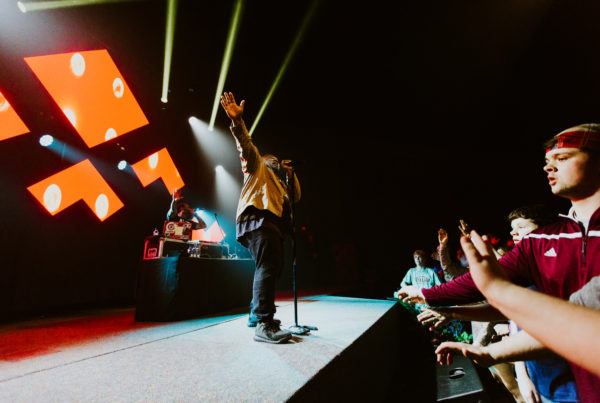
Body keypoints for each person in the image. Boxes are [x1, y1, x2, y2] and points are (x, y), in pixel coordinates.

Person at [400, 123, 600, 402]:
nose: (548, 167)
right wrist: (488, 350)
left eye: (563, 158)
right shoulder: (543, 239)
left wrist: (495, 290)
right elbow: (567, 322)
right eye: (547, 161)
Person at [220, 91, 300, 344]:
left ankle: (256, 314)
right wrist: (237, 121)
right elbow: (245, 144)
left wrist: (290, 174)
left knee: (271, 267)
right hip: (257, 218)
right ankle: (265, 323)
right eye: (271, 159)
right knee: (268, 266)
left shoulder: (281, 185)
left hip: (272, 224)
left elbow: (296, 197)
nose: (275, 161)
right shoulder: (256, 166)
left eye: (277, 160)